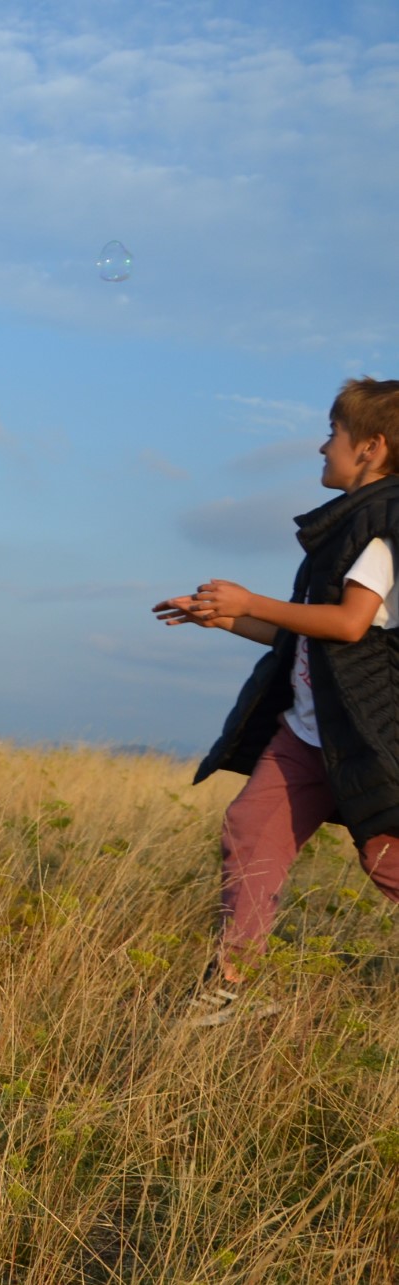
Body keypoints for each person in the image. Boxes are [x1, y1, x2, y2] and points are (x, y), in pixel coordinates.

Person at [154, 377, 399, 1027]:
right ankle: (232, 985)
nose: (323, 446)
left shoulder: (377, 529)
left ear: (370, 448)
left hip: (365, 736)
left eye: (333, 433)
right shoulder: (344, 529)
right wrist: (224, 617)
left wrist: (250, 601)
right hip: (309, 732)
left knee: (386, 861)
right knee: (249, 828)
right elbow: (307, 631)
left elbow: (349, 624)